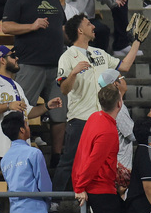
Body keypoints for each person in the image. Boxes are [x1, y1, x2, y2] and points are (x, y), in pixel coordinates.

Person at [54, 13, 141, 191]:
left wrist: (137, 42)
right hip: (80, 118)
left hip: (103, 118)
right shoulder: (68, 56)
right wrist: (73, 73)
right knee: (69, 160)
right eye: (88, 24)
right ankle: (55, 199)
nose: (93, 27)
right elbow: (64, 89)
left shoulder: (99, 53)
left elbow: (124, 66)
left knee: (102, 161)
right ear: (80, 30)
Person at [1, 0, 68, 163]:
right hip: (30, 64)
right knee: (21, 111)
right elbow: (6, 27)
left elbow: (62, 29)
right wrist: (32, 26)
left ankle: (57, 157)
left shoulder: (55, 0)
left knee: (60, 113)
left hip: (56, 66)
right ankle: (16, 153)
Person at [0, 46, 58, 182]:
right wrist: (9, 105)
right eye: (13, 56)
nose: (17, 59)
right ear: (2, 60)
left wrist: (46, 106)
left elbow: (28, 111)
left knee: (11, 194)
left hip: (14, 150)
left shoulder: (16, 85)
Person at [73, 85, 124, 213]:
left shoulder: (95, 117)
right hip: (100, 188)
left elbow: (84, 153)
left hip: (96, 185)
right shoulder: (108, 130)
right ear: (119, 104)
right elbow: (93, 161)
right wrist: (80, 186)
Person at [0, 110, 52, 213]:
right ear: (22, 130)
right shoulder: (34, 153)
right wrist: (47, 203)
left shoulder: (4, 159)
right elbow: (45, 186)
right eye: (26, 124)